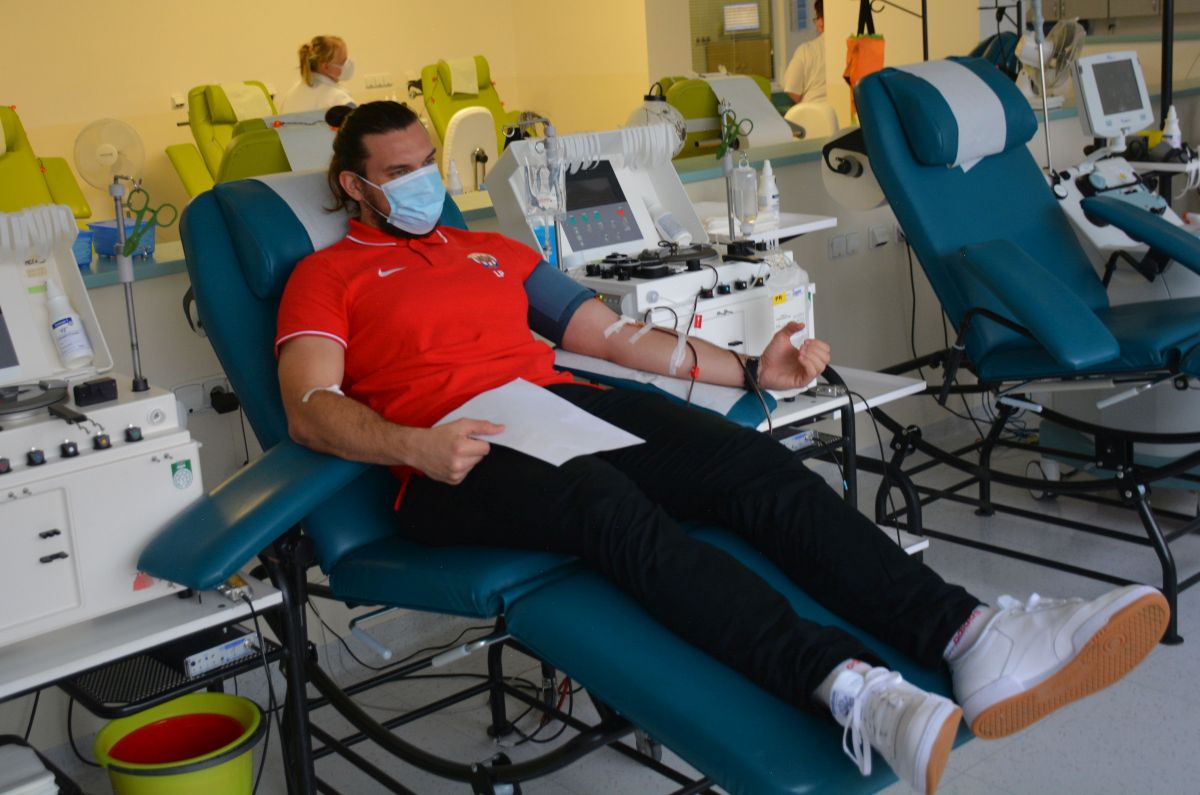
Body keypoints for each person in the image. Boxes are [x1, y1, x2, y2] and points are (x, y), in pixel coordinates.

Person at [275, 101, 1169, 795]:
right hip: (452, 455)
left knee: (753, 463)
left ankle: (970, 633)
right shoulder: (327, 276)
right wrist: (415, 444)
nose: (424, 181)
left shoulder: (493, 252)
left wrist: (749, 370)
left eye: (430, 162)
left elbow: (612, 338)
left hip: (559, 409)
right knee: (611, 511)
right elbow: (310, 407)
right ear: (355, 185)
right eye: (401, 172)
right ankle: (847, 686)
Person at [278, 35, 355, 114]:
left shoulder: (289, 96)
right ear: (325, 67)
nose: (348, 64)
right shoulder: (339, 99)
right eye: (343, 61)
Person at [784, 0, 826, 104]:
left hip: (811, 110)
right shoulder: (852, 47)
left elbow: (792, 89)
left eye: (816, 19)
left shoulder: (806, 51)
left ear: (821, 22)